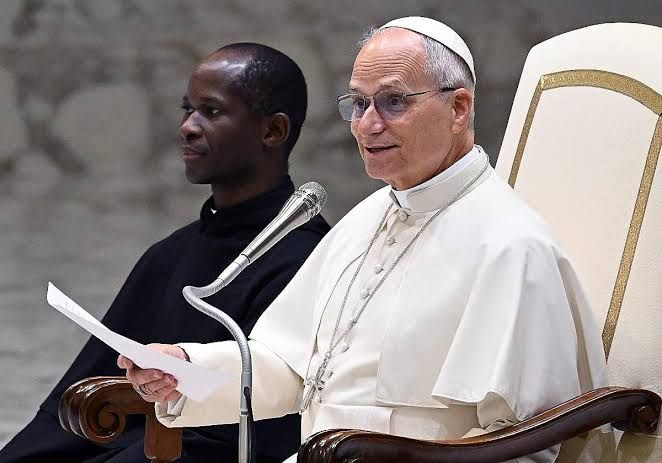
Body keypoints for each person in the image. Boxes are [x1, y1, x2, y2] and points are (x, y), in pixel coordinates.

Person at [120, 17, 608, 463]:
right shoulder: (366, 220)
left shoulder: (510, 247)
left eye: (393, 101)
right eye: (358, 103)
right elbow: (289, 368)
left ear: (458, 108)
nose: (369, 125)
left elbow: (528, 443)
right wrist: (185, 369)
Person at [0, 43, 330, 463]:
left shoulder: (307, 257)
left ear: (273, 131)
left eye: (211, 112)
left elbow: (251, 430)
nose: (187, 127)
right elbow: (69, 407)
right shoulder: (170, 254)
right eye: (187, 110)